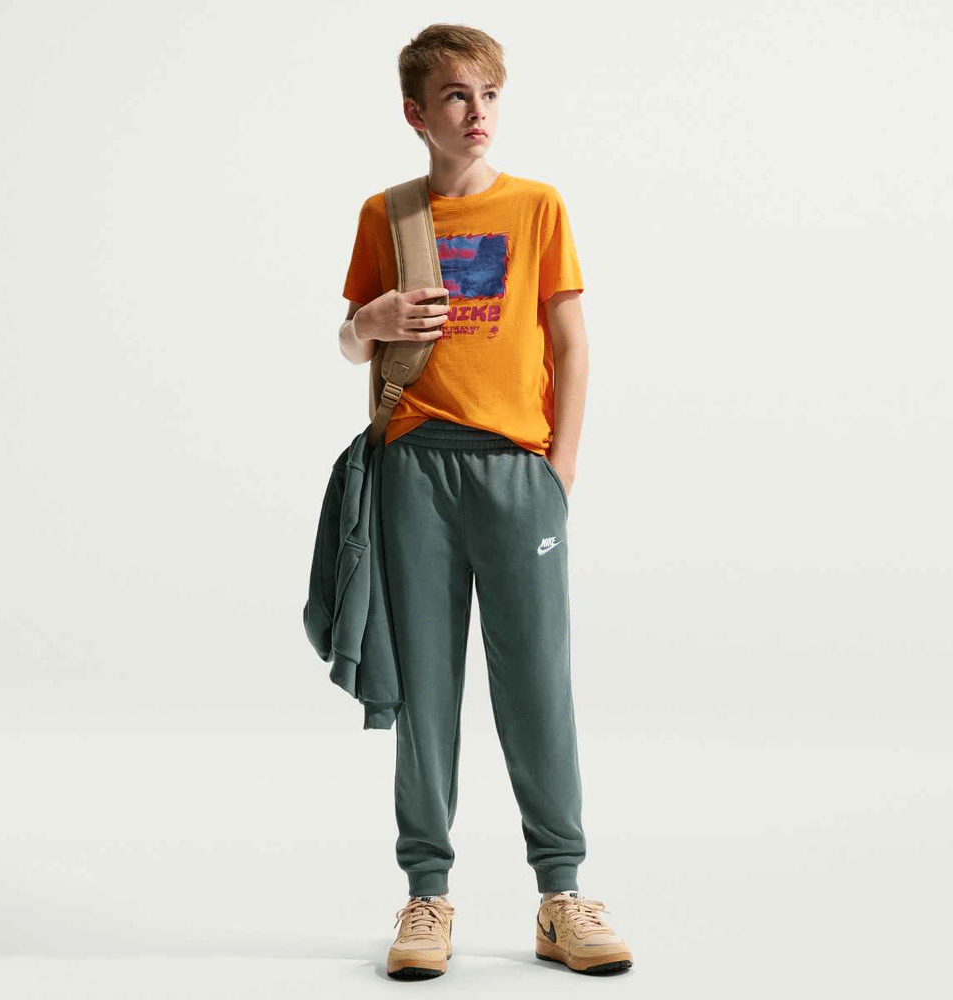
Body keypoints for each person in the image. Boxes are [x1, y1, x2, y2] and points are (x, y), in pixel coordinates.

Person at [337, 23, 634, 979]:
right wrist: (371, 320)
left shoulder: (537, 207)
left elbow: (571, 342)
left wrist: (560, 469)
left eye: (491, 94)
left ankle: (562, 894)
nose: (478, 113)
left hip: (518, 473)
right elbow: (352, 342)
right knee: (425, 686)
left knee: (537, 681)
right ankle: (426, 894)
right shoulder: (387, 215)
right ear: (416, 114)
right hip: (415, 469)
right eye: (458, 96)